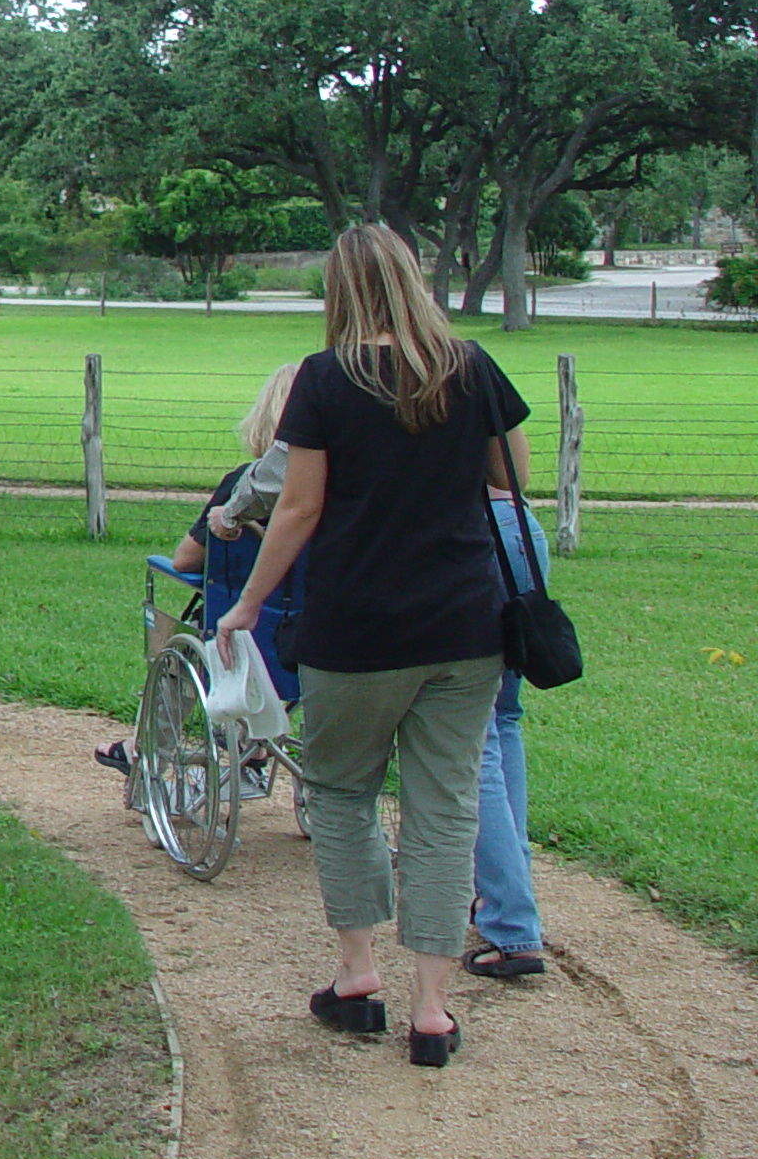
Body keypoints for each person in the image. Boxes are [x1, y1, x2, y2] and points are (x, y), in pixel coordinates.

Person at [213, 223, 529, 1070]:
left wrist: (247, 604)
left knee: (344, 794)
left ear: (341, 291)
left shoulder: (326, 380)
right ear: (413, 278)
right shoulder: (471, 366)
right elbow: (512, 478)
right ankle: (432, 1011)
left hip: (357, 629)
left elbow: (300, 508)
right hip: (465, 628)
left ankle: (357, 980)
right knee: (444, 809)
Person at [95, 363, 304, 781]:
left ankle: (147, 749)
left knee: (182, 650)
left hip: (240, 635)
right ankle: (261, 746)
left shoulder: (244, 485)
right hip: (318, 635)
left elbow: (186, 561)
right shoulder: (345, 493)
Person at [468, 479, 549, 979]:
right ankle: (512, 893)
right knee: (504, 718)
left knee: (476, 736)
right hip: (519, 526)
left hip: (470, 534)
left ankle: (512, 920)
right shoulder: (488, 392)